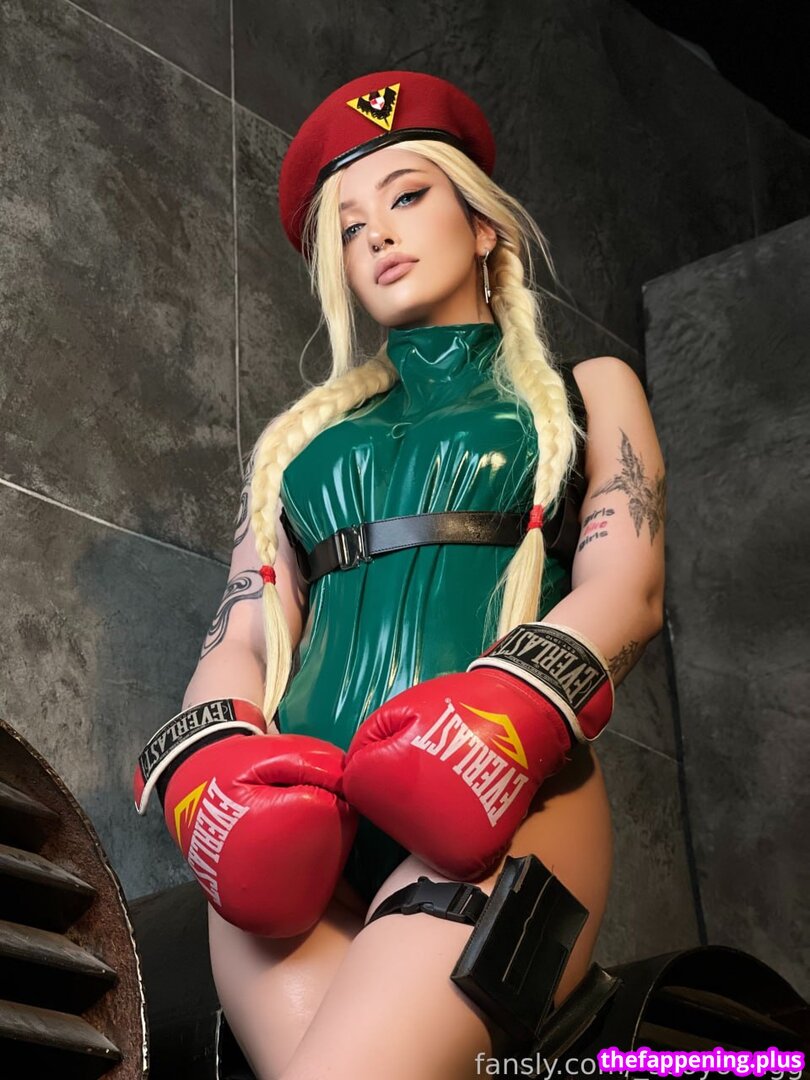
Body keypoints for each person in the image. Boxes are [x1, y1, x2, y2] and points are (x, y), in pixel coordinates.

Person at [134, 71, 666, 1079]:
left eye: (408, 195)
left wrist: (506, 720)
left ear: (482, 223)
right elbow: (243, 628)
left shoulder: (586, 390)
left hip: (510, 802)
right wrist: (213, 770)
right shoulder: (296, 449)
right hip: (294, 836)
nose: (377, 234)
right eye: (349, 228)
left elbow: (628, 584)